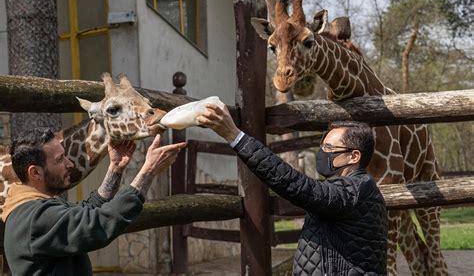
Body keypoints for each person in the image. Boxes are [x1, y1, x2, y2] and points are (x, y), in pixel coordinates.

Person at [197, 104, 388, 275]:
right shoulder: (354, 188)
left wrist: (235, 136)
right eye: (322, 147)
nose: (322, 153)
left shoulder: (354, 191)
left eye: (329, 148)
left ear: (353, 156)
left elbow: (295, 185)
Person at [2, 127, 186, 275]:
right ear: (35, 173)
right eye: (59, 160)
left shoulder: (32, 206)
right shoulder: (34, 217)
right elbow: (96, 223)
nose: (69, 164)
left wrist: (115, 168)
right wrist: (148, 171)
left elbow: (84, 213)